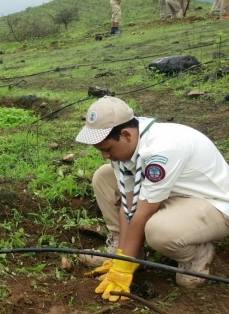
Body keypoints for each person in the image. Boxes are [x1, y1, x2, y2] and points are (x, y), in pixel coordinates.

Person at [75, 96, 229, 302]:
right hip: (173, 193)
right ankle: (127, 250)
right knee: (103, 177)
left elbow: (143, 211)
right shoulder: (129, 142)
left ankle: (197, 254)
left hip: (213, 203)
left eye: (107, 149)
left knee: (159, 231)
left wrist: (123, 269)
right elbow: (128, 206)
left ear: (126, 135)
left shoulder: (161, 151)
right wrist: (122, 257)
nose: (105, 155)